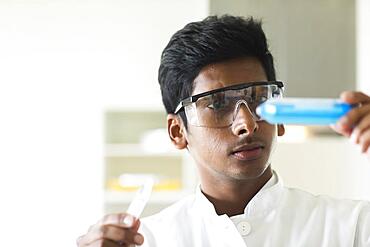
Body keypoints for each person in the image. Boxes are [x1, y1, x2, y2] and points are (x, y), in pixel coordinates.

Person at [77, 15, 370, 247]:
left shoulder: (354, 227)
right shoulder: (148, 241)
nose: (247, 123)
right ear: (177, 131)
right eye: (217, 104)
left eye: (258, 97)